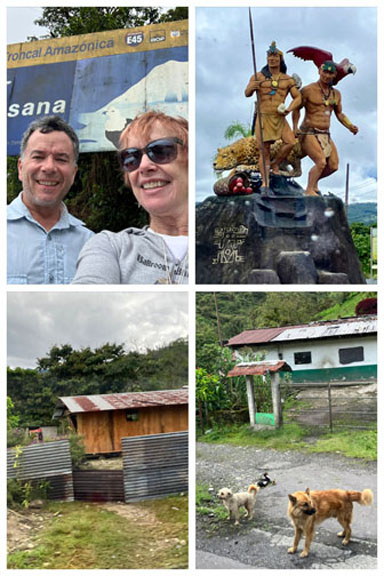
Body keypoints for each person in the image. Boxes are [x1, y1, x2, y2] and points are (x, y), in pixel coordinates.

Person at [73, 110, 188, 284]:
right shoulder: (111, 246)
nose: (144, 166)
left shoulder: (218, 238)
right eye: (131, 158)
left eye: (161, 151)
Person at [7, 115, 93, 284]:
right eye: (38, 157)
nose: (49, 167)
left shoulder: (91, 244)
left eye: (61, 159)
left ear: (74, 173)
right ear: (20, 168)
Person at [292, 60, 359, 196]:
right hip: (308, 132)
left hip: (326, 134)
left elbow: (339, 114)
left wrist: (350, 126)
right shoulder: (308, 90)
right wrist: (294, 128)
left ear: (335, 75)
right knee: (321, 162)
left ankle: (314, 182)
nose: (327, 76)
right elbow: (296, 109)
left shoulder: (336, 94)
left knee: (333, 166)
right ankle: (309, 189)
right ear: (319, 71)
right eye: (325, 72)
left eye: (330, 73)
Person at [245, 41, 302, 187]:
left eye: (275, 57)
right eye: (270, 57)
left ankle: (275, 163)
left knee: (290, 142)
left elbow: (298, 97)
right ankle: (265, 182)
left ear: (280, 59)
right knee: (264, 151)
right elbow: (247, 93)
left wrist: (289, 109)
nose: (272, 60)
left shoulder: (287, 79)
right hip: (263, 116)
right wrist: (252, 87)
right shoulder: (258, 76)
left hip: (279, 116)